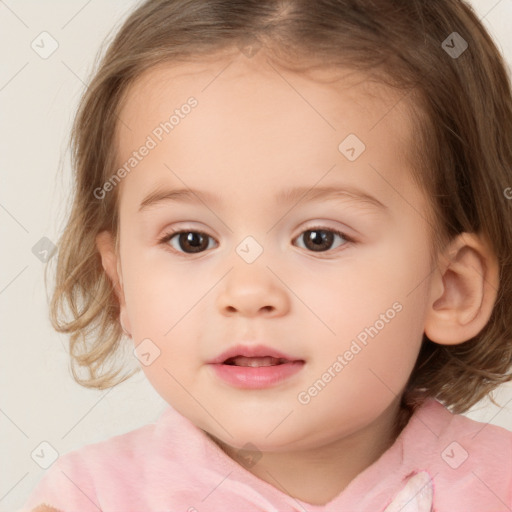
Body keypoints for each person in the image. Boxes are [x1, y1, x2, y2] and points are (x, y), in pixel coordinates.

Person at [22, 0, 512, 510]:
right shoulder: (92, 500)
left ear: (451, 287)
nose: (248, 292)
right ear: (120, 281)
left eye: (319, 238)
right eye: (191, 239)